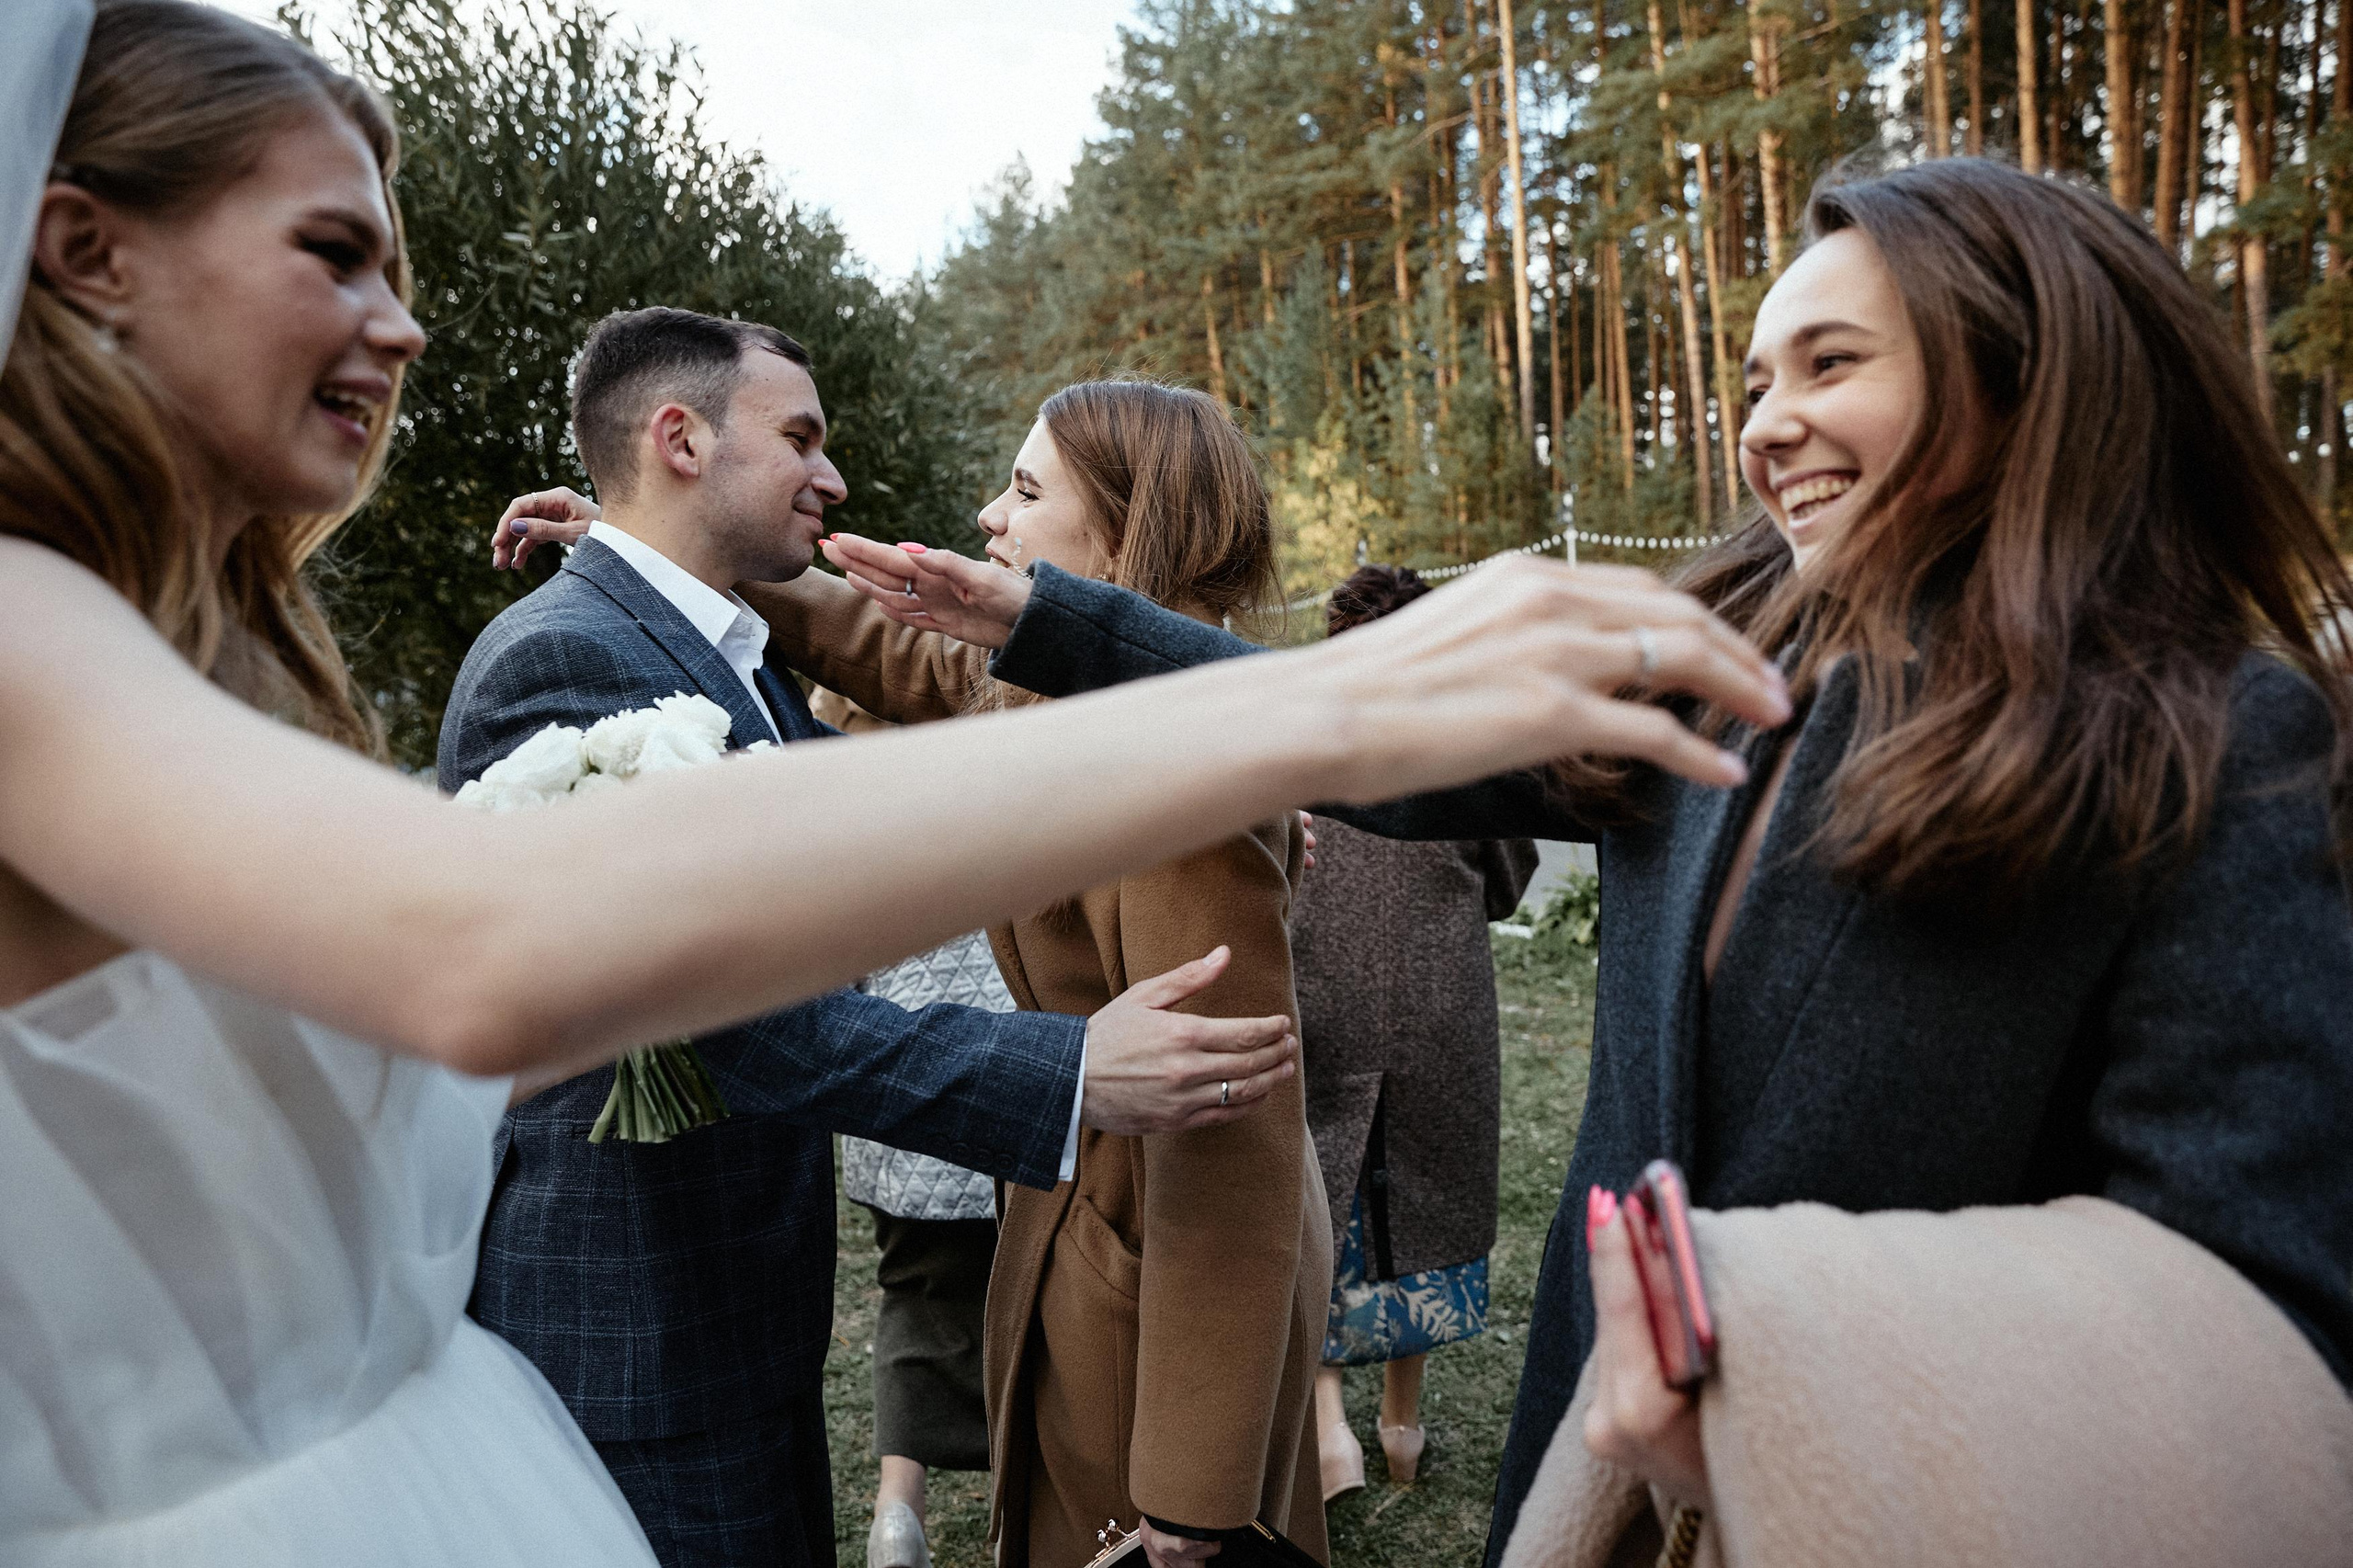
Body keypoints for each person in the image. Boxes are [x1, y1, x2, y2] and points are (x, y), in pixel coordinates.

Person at [0, 5, 1791, 1563]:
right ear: (80, 246)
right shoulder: (30, 627)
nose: (396, 324)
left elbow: (953, 741)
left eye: (395, 266)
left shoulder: (209, 645)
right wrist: (1313, 711)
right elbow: (482, 942)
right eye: (335, 254)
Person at [812, 157, 2353, 1563]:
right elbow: (1358, 733)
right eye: (1755, 380)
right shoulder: (1707, 664)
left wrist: (1798, 1342)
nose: (1767, 424)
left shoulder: (2219, 738)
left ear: (2033, 374)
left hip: (1914, 1508)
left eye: (1833, 365)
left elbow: (2260, 1296)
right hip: (1592, 1460)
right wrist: (1051, 624)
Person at [449, 308, 1313, 1568]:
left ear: (1122, 533)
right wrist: (634, 551)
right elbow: (902, 662)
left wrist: (1194, 1484)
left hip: (1151, 1285)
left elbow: (1234, 1136)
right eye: (800, 435)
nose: (988, 519)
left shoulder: (1181, 761)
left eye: (1025, 491)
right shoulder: (1055, 694)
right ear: (679, 441)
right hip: (700, 1312)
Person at [1290, 565, 1538, 1504]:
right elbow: (1508, 880)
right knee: (1421, 1204)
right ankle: (1402, 1422)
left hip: (1321, 1000)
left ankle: (1327, 1433)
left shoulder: (1299, 737)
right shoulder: (1466, 749)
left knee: (1323, 1198)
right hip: (1437, 1010)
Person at [819, 683, 1006, 1568]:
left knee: (911, 1299)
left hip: (900, 1113)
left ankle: (899, 1507)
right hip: (1010, 1092)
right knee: (1026, 1313)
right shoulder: (995, 790)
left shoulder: (849, 812)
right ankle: (1022, 1503)